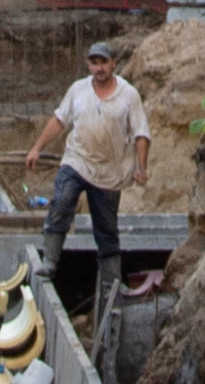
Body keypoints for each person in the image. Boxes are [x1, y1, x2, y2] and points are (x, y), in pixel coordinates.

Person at [33, 43, 150, 313]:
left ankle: (111, 284)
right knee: (62, 201)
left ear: (113, 63)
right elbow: (59, 120)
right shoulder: (78, 90)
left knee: (106, 229)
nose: (99, 68)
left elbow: (141, 133)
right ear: (88, 64)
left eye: (104, 62)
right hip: (77, 161)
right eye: (94, 62)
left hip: (110, 172)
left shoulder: (128, 95)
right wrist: (37, 148)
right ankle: (50, 260)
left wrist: (141, 167)